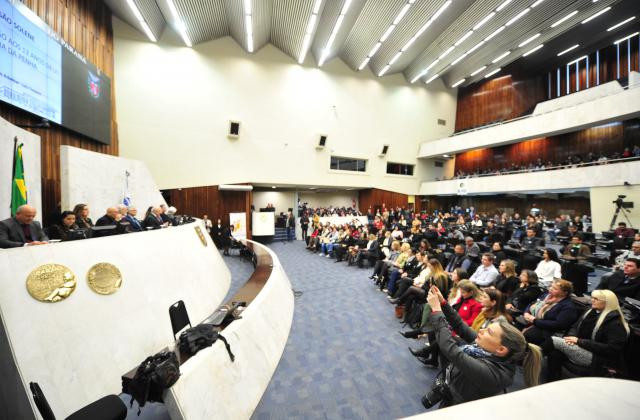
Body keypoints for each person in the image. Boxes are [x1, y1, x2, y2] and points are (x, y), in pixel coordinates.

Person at [420, 286, 542, 408]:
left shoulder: (494, 373)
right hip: (453, 394)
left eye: (489, 332)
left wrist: (436, 310)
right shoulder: (486, 350)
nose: (482, 331)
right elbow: (460, 325)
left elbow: (450, 349)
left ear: (501, 349)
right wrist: (443, 303)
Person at [546, 289, 629, 380]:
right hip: (581, 347)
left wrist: (580, 341)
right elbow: (574, 327)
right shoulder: (589, 312)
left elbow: (612, 349)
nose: (592, 300)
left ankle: (530, 360)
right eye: (592, 298)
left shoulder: (615, 323)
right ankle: (551, 380)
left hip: (597, 358)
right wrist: (570, 339)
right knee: (555, 353)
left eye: (596, 299)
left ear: (607, 303)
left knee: (553, 340)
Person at [521, 279, 578, 345]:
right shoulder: (546, 295)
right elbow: (532, 304)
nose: (550, 289)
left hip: (548, 331)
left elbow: (559, 324)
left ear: (564, 293)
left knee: (528, 335)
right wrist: (526, 312)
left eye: (555, 288)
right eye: (551, 286)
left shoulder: (568, 307)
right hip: (533, 321)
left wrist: (535, 321)